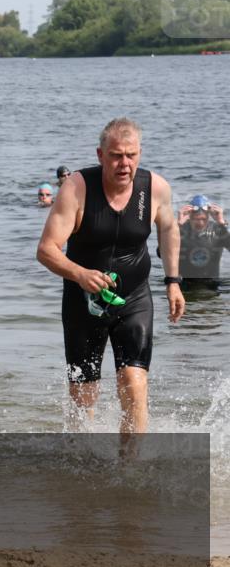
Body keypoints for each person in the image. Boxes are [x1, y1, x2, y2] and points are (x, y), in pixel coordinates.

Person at [36, 117, 184, 440]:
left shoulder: (155, 188)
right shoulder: (76, 188)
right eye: (116, 155)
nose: (124, 163)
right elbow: (46, 250)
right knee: (84, 397)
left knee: (134, 384)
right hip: (84, 302)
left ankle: (130, 468)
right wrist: (80, 274)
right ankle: (81, 463)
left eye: (131, 155)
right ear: (100, 154)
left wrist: (173, 280)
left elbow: (169, 229)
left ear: (140, 154)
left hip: (134, 299)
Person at [175, 194, 230, 288]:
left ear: (208, 216)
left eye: (203, 219)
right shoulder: (180, 230)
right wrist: (177, 226)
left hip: (212, 284)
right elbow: (160, 252)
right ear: (190, 216)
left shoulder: (218, 230)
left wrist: (222, 223)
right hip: (186, 284)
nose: (200, 223)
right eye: (197, 219)